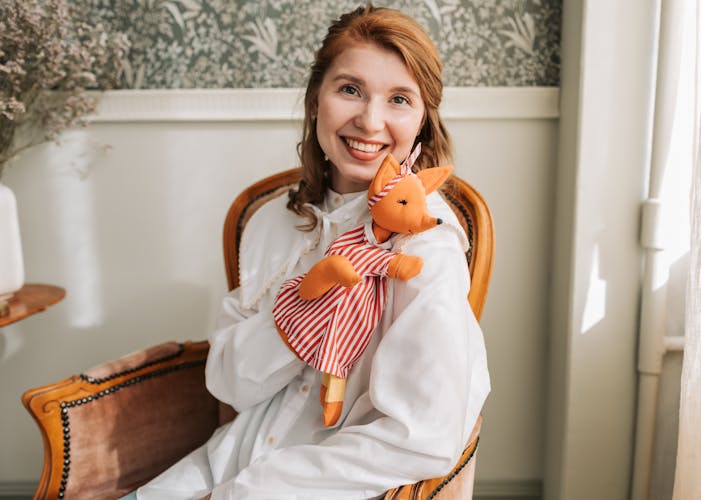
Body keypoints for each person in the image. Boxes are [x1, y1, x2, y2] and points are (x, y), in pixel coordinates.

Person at [130, 5, 489, 499]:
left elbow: (421, 436)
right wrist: (296, 313)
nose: (370, 121)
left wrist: (250, 492)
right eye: (350, 90)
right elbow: (229, 384)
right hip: (219, 464)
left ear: (423, 122)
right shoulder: (273, 221)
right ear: (315, 100)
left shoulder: (428, 245)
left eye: (400, 99)